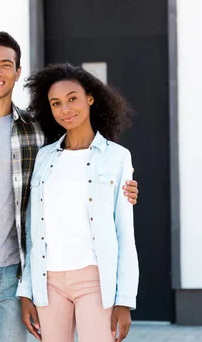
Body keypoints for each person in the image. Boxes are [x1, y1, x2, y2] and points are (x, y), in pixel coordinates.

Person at [0, 31, 139, 342]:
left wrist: (122, 189)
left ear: (18, 72)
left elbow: (76, 170)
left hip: (13, 276)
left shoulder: (36, 131)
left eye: (6, 64)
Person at [16, 63, 139, 342]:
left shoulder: (117, 157)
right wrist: (26, 291)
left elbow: (124, 232)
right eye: (56, 103)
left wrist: (124, 300)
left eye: (73, 98)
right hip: (49, 282)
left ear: (90, 99)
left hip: (94, 280)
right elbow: (30, 231)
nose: (65, 109)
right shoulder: (44, 157)